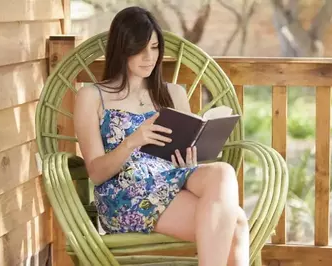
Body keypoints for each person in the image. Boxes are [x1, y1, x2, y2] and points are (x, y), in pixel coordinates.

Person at [73, 6, 249, 266]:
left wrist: (191, 160)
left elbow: (186, 159)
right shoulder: (92, 97)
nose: (149, 57)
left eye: (154, 48)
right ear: (122, 49)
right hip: (126, 194)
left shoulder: (173, 94)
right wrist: (134, 140)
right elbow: (96, 173)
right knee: (237, 225)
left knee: (222, 172)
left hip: (174, 178)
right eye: (140, 49)